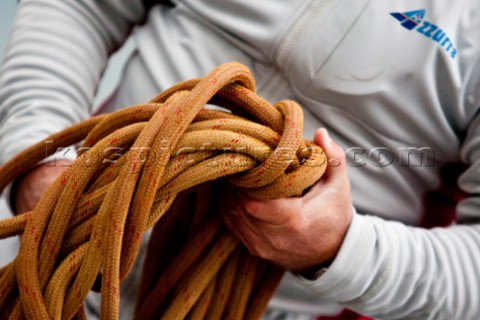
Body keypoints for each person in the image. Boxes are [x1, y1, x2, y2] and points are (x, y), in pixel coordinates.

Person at [1, 0, 480, 319]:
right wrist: (41, 152)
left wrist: (341, 248)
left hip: (280, 304)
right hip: (55, 229)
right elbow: (82, 8)